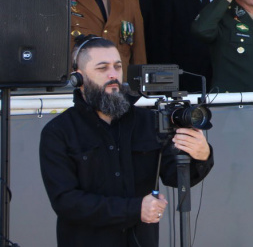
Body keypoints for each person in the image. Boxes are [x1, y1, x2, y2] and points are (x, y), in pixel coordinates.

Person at [39, 36, 213, 247]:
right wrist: (134, 209)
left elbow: (174, 176)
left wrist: (202, 156)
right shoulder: (59, 131)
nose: (113, 75)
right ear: (79, 78)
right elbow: (66, 202)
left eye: (117, 66)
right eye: (102, 68)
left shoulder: (149, 121)